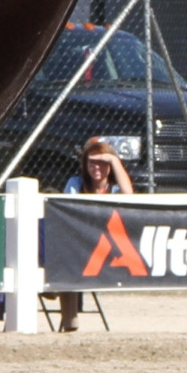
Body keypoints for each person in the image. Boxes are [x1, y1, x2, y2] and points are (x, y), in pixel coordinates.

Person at [56, 138, 134, 332]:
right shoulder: (76, 184)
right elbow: (66, 213)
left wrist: (114, 160)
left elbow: (129, 194)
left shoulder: (114, 189)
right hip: (78, 243)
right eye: (91, 163)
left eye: (102, 162)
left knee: (66, 260)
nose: (96, 167)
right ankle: (70, 321)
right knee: (66, 255)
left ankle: (52, 286)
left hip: (107, 248)